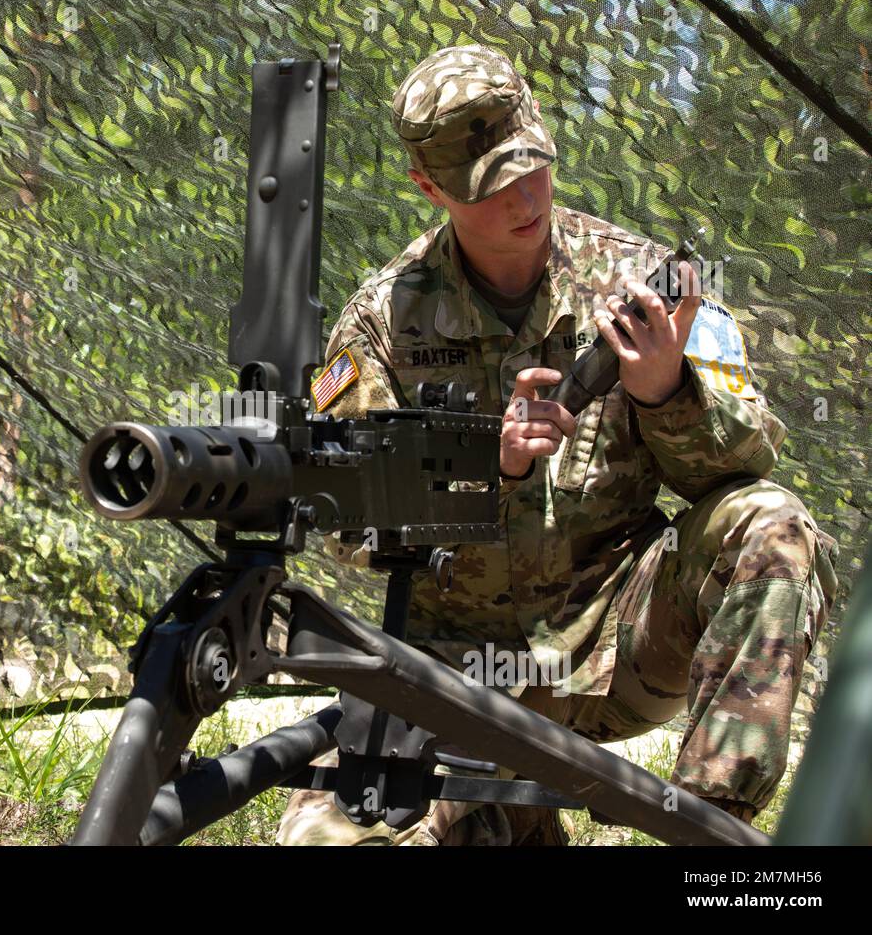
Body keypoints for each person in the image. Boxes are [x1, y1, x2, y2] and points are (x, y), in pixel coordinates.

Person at [278, 44, 840, 845]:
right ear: (428, 188)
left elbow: (745, 470)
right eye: (490, 184)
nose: (523, 196)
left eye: (530, 164)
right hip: (458, 678)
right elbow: (346, 525)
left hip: (619, 641)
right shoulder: (381, 322)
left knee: (772, 523)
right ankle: (502, 818)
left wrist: (664, 391)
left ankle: (715, 838)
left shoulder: (641, 283)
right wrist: (486, 466)